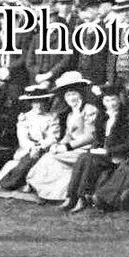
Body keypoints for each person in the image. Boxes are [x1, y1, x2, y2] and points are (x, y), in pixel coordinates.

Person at [23, 72, 99, 203]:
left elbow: (90, 136)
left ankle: (62, 194)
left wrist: (66, 147)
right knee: (49, 156)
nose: (71, 98)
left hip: (85, 149)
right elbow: (68, 136)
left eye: (74, 94)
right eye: (68, 95)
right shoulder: (70, 114)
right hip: (72, 149)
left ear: (81, 94)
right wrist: (57, 145)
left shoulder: (89, 109)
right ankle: (45, 191)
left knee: (51, 158)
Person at [63, 83, 129, 213]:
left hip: (115, 156)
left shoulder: (127, 118)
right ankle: (71, 195)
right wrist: (95, 147)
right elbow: (97, 138)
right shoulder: (102, 116)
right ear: (103, 101)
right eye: (107, 100)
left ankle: (82, 198)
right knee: (83, 157)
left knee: (89, 160)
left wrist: (108, 151)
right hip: (101, 154)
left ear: (119, 99)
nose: (110, 103)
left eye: (113, 99)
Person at [0, 85, 58, 196]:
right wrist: (33, 148)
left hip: (45, 148)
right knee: (26, 160)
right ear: (31, 103)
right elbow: (23, 138)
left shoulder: (52, 117)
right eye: (35, 102)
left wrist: (40, 147)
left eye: (41, 102)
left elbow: (53, 137)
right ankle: (12, 182)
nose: (38, 105)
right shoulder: (24, 117)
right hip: (27, 150)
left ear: (46, 102)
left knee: (45, 160)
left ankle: (27, 183)